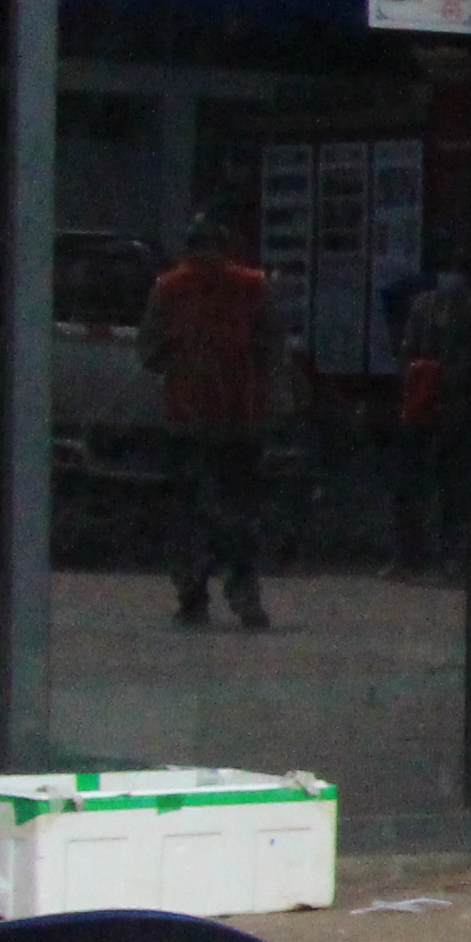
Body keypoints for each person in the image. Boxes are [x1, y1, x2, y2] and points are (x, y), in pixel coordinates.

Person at [141, 211, 272, 632]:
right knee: (240, 512)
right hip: (239, 421)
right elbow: (272, 351)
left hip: (187, 420)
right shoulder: (253, 286)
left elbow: (148, 353)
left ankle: (193, 596)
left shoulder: (169, 287)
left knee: (187, 514)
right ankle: (245, 594)